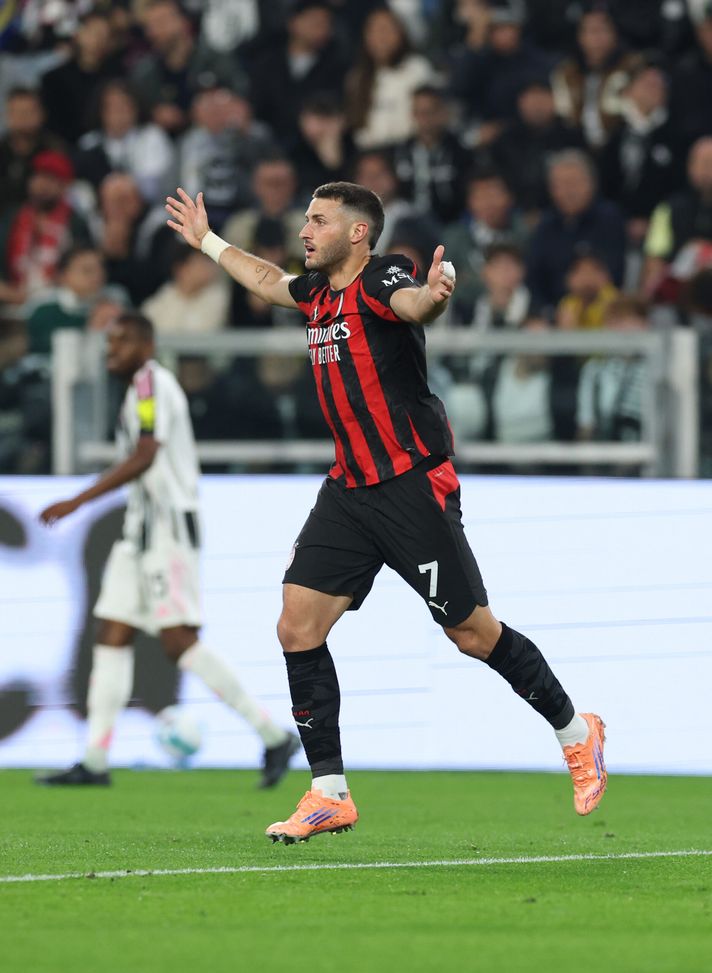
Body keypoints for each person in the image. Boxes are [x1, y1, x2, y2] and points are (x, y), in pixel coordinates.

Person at [165, 180, 608, 842]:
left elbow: (410, 305)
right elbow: (264, 279)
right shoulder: (315, 293)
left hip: (410, 484)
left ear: (357, 233)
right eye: (305, 219)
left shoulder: (382, 277)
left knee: (472, 634)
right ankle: (328, 792)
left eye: (318, 220)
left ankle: (578, 731)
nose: (304, 231)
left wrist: (433, 297)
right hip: (350, 490)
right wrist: (206, 239)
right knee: (296, 624)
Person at [36, 311, 299, 788]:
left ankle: (273, 735)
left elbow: (146, 454)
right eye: (109, 344)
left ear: (145, 344)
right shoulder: (139, 388)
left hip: (168, 531)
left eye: (119, 343)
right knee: (112, 633)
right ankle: (95, 760)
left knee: (178, 641)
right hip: (138, 534)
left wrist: (77, 499)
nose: (110, 351)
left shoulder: (151, 384)